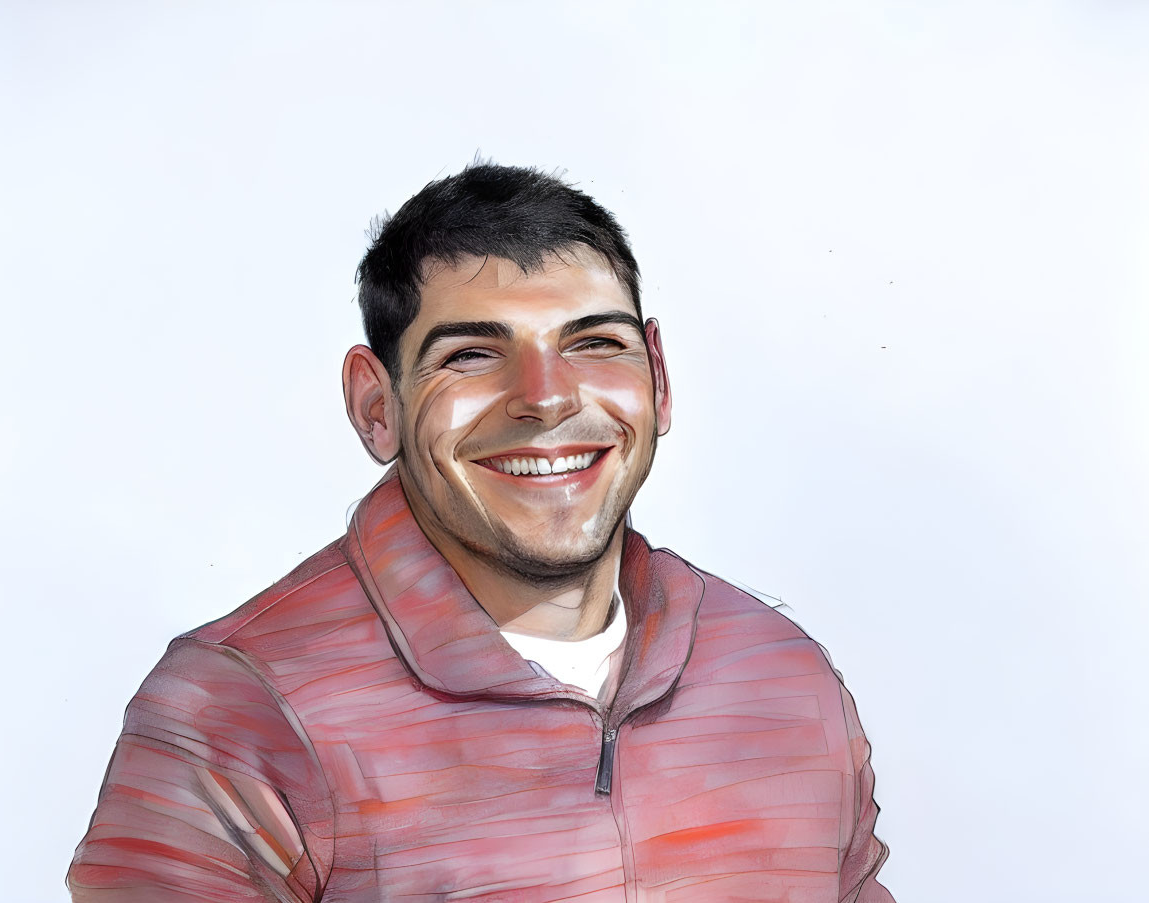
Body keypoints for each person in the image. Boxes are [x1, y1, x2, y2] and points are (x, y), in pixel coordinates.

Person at [68, 163, 894, 902]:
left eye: (594, 343)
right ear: (375, 404)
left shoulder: (780, 673)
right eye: (470, 354)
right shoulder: (235, 707)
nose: (545, 397)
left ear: (659, 379)